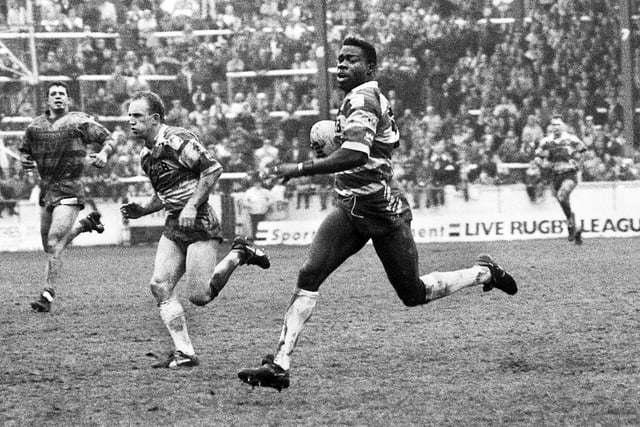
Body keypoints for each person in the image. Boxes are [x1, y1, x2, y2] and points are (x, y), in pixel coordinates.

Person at [237, 37, 518, 391]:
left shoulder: (364, 98)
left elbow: (355, 155)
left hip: (383, 211)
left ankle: (482, 272)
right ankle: (279, 365)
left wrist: (300, 167)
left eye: (350, 60)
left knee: (412, 293)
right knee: (309, 273)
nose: (340, 65)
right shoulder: (363, 101)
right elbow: (384, 144)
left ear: (369, 69)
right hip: (351, 206)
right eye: (339, 60)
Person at [120, 91, 271, 368]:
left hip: (200, 222)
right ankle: (185, 352)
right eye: (129, 116)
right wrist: (142, 209)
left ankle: (239, 254)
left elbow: (213, 169)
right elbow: (165, 195)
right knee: (159, 285)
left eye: (137, 116)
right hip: (174, 225)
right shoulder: (146, 155)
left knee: (199, 296)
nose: (130, 121)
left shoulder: (177, 140)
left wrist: (191, 206)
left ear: (154, 119)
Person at [20, 81, 114, 313]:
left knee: (54, 242)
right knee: (49, 246)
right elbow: (25, 153)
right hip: (46, 189)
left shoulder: (80, 121)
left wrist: (103, 153)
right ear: (47, 100)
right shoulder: (34, 127)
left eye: (62, 94)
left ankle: (47, 294)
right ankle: (85, 225)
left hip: (69, 187)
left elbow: (110, 138)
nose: (58, 97)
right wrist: (26, 161)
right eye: (54, 94)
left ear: (68, 99)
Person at [535, 114, 586, 244]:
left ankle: (570, 223)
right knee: (563, 200)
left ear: (563, 126)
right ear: (550, 127)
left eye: (558, 124)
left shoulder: (571, 139)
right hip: (555, 175)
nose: (556, 127)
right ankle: (574, 227)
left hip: (569, 174)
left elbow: (584, 151)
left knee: (562, 196)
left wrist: (578, 165)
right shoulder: (546, 141)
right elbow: (537, 157)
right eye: (553, 125)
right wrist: (542, 164)